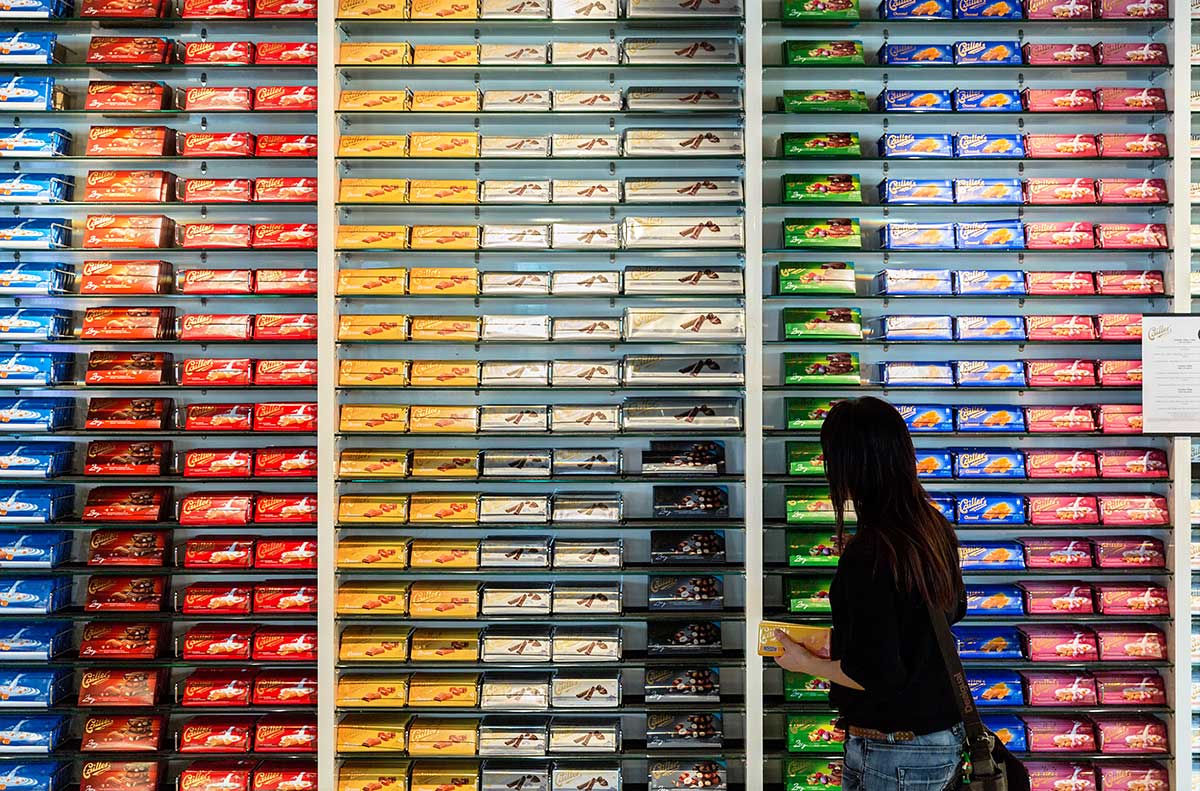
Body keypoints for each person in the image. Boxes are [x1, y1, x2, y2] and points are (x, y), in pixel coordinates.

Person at [773, 396, 967, 791]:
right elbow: (949, 613)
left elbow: (876, 675)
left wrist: (802, 662)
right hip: (942, 736)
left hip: (894, 747)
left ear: (850, 466)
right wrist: (839, 641)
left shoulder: (870, 552)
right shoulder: (930, 527)